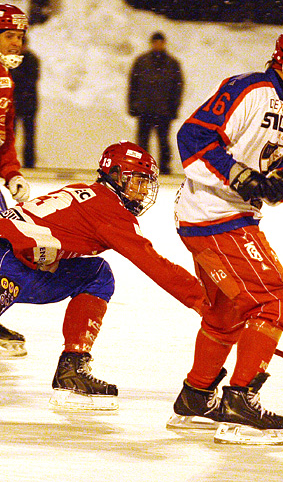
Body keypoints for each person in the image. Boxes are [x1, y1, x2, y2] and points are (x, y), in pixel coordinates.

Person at [167, 26, 283, 445]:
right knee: (277, 301)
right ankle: (240, 401)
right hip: (215, 215)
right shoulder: (248, 90)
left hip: (223, 218)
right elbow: (192, 137)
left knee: (227, 313)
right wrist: (239, 175)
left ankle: (196, 396)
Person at [0, 140, 211, 410]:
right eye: (138, 181)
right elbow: (153, 264)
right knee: (96, 274)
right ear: (117, 175)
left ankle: (72, 367)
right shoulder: (109, 211)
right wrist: (203, 301)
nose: (144, 191)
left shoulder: (83, 191)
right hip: (8, 260)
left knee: (97, 273)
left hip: (19, 266)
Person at [0, 3, 32, 355]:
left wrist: (11, 172)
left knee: (5, 246)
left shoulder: (5, 78)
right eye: (9, 35)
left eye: (20, 37)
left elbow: (4, 137)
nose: (16, 44)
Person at [127, 31, 183, 175]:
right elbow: (133, 84)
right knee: (142, 142)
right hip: (145, 109)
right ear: (152, 43)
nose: (158, 45)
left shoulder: (172, 64)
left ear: (164, 43)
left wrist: (174, 107)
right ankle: (141, 167)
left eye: (160, 42)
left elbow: (178, 88)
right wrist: (132, 105)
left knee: (163, 142)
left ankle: (165, 168)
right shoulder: (142, 62)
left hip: (164, 111)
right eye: (155, 42)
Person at [11, 36, 39, 168]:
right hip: (14, 104)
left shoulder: (32, 60)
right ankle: (9, 164)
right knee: (10, 137)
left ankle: (29, 164)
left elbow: (30, 80)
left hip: (28, 105)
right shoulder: (10, 60)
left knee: (29, 137)